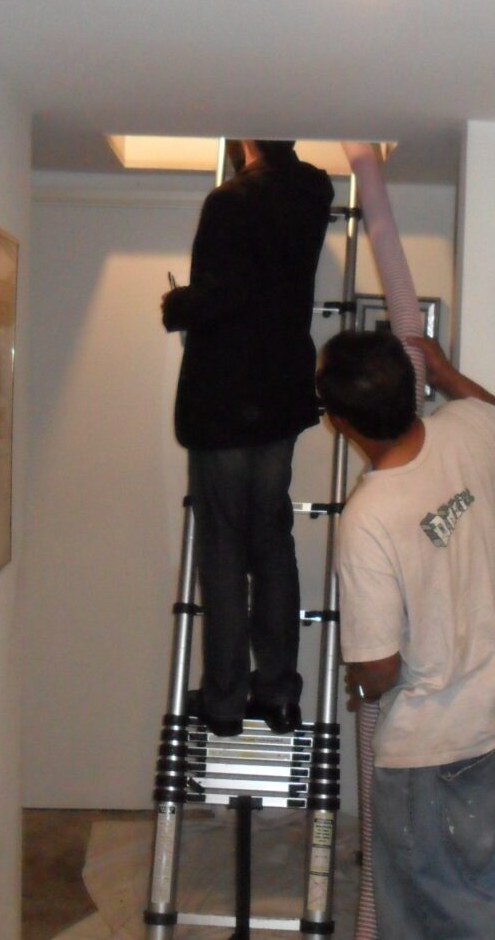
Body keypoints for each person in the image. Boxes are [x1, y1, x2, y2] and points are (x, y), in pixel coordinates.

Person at [318, 330, 495, 939]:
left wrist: (360, 688)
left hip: (439, 754)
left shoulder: (368, 517)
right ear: (414, 383)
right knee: (481, 906)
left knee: (433, 923)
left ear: (341, 423)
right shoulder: (470, 426)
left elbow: (380, 666)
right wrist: (450, 375)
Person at [162, 140, 334, 737]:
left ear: (245, 142)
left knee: (224, 549)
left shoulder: (228, 202)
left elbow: (222, 296)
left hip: (225, 401)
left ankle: (226, 701)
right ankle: (282, 693)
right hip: (281, 395)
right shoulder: (315, 195)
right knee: (272, 540)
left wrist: (176, 304)